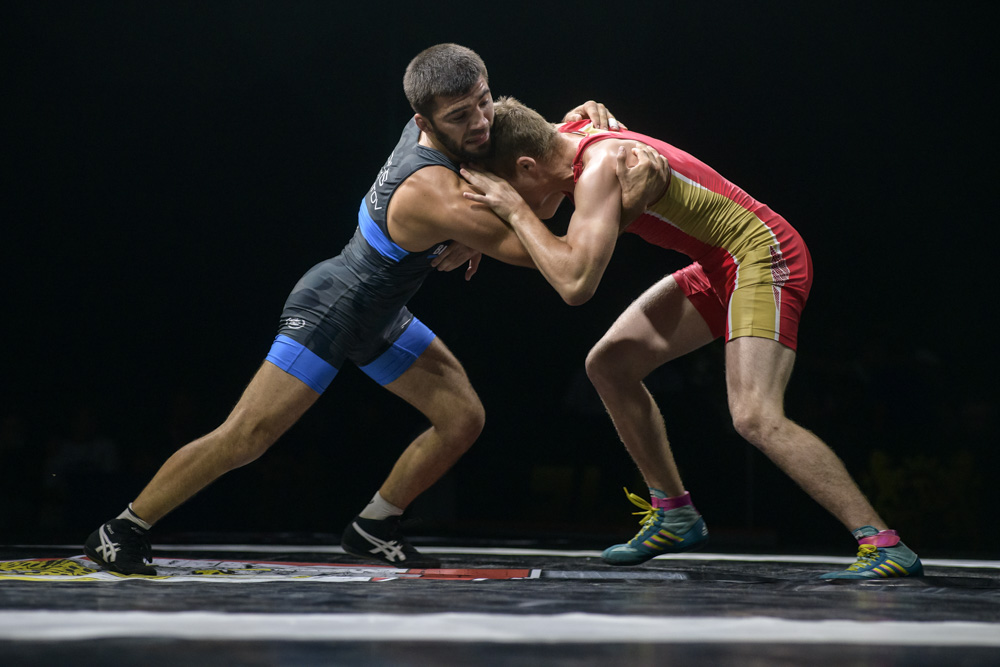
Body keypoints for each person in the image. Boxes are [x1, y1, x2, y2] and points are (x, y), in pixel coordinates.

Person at [83, 45, 668, 575]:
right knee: (246, 437)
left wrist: (574, 129)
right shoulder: (434, 193)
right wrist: (610, 195)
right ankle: (121, 529)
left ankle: (374, 526)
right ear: (424, 122)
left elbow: (525, 158)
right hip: (333, 307)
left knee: (462, 418)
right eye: (459, 116)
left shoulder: (449, 136)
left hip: (381, 313)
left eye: (483, 102)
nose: (480, 123)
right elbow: (564, 264)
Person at [460, 96, 922, 579]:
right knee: (610, 366)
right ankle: (674, 513)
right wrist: (478, 232)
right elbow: (545, 164)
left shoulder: (597, 170)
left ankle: (884, 543)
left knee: (755, 415)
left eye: (507, 187)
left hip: (762, 253)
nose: (507, 199)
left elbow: (575, 284)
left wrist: (516, 212)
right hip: (721, 262)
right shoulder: (564, 134)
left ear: (527, 166)